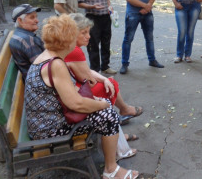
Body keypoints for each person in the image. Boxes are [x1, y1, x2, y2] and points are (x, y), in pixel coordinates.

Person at [24, 15, 139, 179]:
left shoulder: (47, 57)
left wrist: (98, 102)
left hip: (43, 124)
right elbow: (76, 104)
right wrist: (103, 105)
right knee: (108, 114)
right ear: (67, 40)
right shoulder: (55, 64)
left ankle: (115, 156)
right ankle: (111, 169)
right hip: (50, 131)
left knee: (103, 105)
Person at [66, 13, 144, 125]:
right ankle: (117, 115)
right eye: (84, 33)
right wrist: (105, 80)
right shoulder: (75, 51)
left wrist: (104, 79)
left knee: (107, 82)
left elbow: (87, 72)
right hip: (74, 97)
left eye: (88, 32)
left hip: (71, 92)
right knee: (110, 85)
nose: (88, 36)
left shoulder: (69, 47)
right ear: (72, 34)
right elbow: (90, 81)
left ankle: (120, 113)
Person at [119, 0, 164, 74]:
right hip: (133, 13)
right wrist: (145, 6)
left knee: (149, 38)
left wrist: (148, 5)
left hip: (147, 13)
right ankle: (124, 64)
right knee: (128, 39)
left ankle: (152, 60)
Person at [77, 0, 116, 74]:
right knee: (93, 44)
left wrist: (110, 7)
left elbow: (107, 0)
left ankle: (105, 66)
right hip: (92, 18)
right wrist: (92, 6)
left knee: (106, 42)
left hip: (105, 17)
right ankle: (95, 70)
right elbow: (79, 3)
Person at [9, 4, 44, 81]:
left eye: (36, 17)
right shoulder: (27, 40)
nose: (37, 21)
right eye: (32, 17)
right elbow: (44, 68)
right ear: (20, 20)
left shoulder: (21, 35)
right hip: (40, 84)